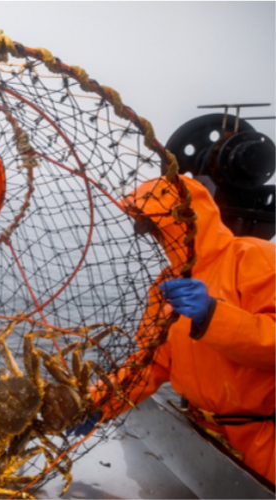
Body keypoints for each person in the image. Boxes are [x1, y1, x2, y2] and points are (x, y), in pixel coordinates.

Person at [70, 175, 275, 485]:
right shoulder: (167, 285)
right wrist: (98, 403)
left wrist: (212, 315)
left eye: (154, 225)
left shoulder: (254, 257)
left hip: (261, 438)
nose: (153, 235)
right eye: (148, 227)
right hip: (199, 433)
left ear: (188, 217)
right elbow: (151, 363)